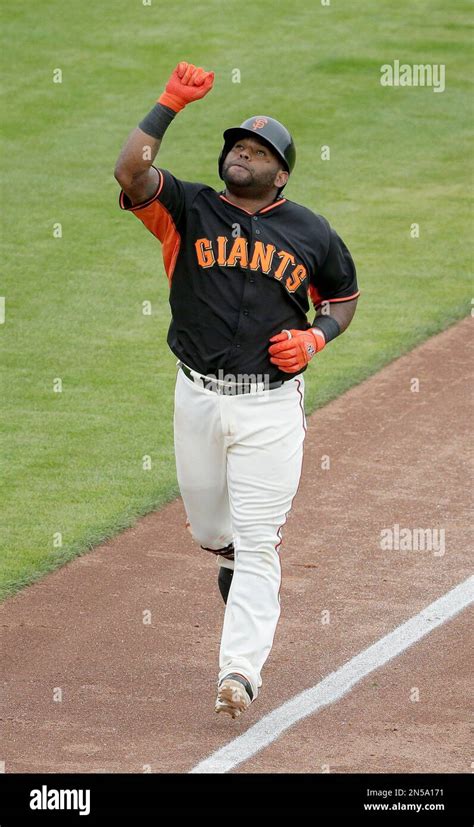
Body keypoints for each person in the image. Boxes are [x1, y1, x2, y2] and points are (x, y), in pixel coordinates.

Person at [114, 61, 359, 719]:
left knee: (257, 539)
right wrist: (167, 103)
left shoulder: (311, 231)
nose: (242, 155)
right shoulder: (187, 208)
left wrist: (316, 339)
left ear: (281, 173)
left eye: (259, 151)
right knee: (209, 530)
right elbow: (129, 174)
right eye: (236, 147)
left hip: (271, 406)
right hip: (196, 396)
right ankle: (229, 557)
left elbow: (343, 297)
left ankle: (237, 674)